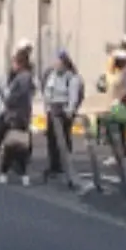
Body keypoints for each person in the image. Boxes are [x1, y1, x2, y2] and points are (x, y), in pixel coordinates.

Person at [0, 46, 37, 186]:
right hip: (22, 116)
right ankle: (21, 173)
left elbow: (15, 97)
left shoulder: (22, 78)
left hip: (16, 116)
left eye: (14, 63)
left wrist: (5, 98)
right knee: (21, 146)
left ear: (19, 64)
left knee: (13, 145)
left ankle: (6, 172)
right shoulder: (25, 77)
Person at [41, 50, 85, 179]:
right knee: (51, 139)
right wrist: (47, 108)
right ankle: (54, 165)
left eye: (58, 62)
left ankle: (65, 165)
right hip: (52, 109)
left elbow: (73, 96)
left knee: (64, 138)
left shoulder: (72, 77)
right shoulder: (52, 75)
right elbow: (47, 91)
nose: (56, 65)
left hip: (63, 110)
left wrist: (70, 110)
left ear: (65, 64)